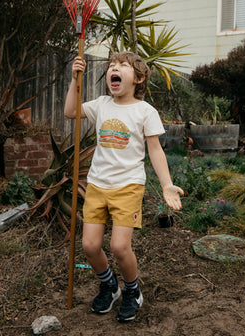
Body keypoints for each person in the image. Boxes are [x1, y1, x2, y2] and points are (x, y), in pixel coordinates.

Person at [64, 51, 183, 322]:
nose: (113, 69)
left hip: (128, 187)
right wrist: (74, 80)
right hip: (96, 185)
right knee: (90, 246)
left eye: (122, 66)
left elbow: (155, 150)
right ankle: (109, 285)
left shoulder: (144, 111)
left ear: (138, 78)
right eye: (111, 66)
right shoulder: (102, 104)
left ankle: (132, 290)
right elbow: (71, 111)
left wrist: (166, 185)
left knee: (119, 247)